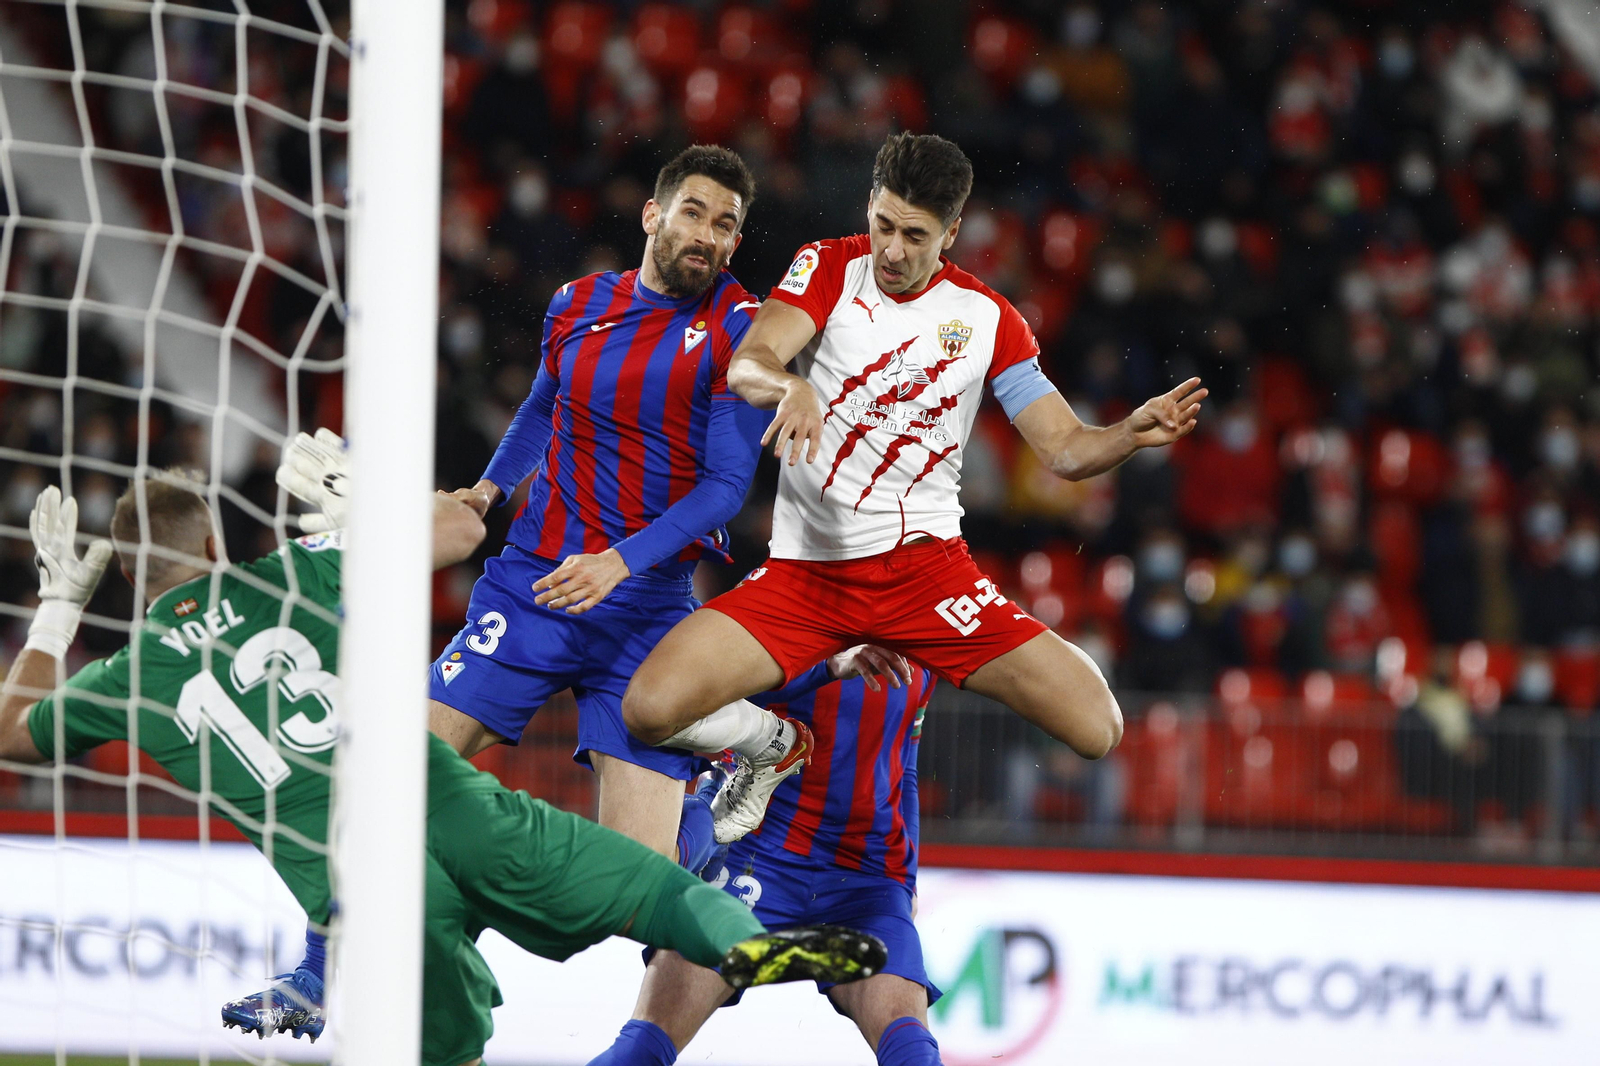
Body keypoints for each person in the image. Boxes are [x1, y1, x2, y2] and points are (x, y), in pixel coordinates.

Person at [0, 450, 886, 1066]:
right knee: (660, 891)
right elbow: (464, 531)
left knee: (450, 1052)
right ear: (210, 547)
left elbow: (13, 730)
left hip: (371, 889)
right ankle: (748, 943)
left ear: (129, 580)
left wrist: (54, 614)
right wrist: (365, 504)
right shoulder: (293, 572)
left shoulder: (130, 677)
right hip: (455, 807)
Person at [622, 132, 1206, 843]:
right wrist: (791, 387)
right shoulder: (829, 267)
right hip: (807, 576)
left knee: (1098, 727)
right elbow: (750, 362)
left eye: (915, 235)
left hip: (928, 576)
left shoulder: (990, 320)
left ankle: (912, 656)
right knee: (648, 708)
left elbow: (1063, 450)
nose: (892, 250)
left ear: (952, 233)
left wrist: (1127, 434)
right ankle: (772, 746)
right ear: (870, 204)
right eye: (883, 225)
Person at [429, 144, 819, 860]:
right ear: (653, 215)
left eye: (726, 224)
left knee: (630, 879)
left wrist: (619, 562)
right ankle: (317, 972)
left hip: (643, 605)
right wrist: (487, 490)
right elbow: (544, 406)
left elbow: (726, 489)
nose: (707, 234)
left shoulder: (740, 328)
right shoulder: (577, 303)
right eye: (694, 212)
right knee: (404, 774)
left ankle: (733, 786)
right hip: (533, 583)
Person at [591, 645, 943, 1066]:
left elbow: (905, 764)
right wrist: (826, 665)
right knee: (643, 1048)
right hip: (752, 857)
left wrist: (908, 880)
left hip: (866, 879)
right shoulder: (774, 603)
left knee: (915, 1055)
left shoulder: (921, 636)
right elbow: (699, 695)